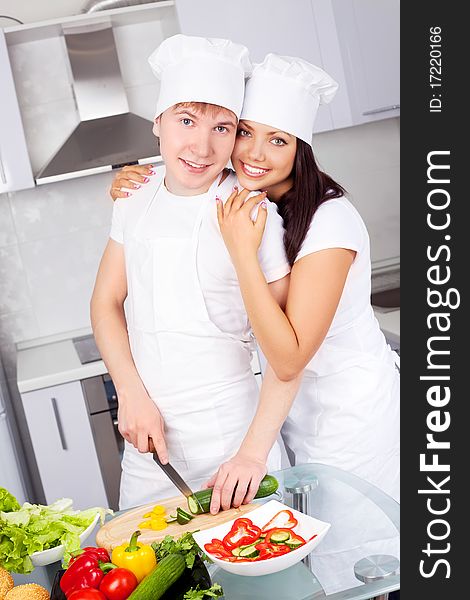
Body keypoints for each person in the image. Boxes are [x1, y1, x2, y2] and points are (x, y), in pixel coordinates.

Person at [110, 52, 400, 510]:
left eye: (278, 140)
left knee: (362, 559)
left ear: (300, 148)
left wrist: (243, 252)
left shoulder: (328, 223)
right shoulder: (251, 202)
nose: (255, 153)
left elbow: (288, 357)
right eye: (245, 133)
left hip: (350, 415)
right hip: (293, 414)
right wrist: (138, 182)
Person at [91, 35, 293, 510]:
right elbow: (105, 302)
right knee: (145, 577)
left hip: (234, 444)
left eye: (223, 128)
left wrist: (252, 453)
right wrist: (130, 394)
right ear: (157, 123)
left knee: (253, 578)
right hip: (148, 445)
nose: (201, 147)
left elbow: (289, 355)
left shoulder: (251, 213)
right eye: (186, 121)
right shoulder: (135, 196)